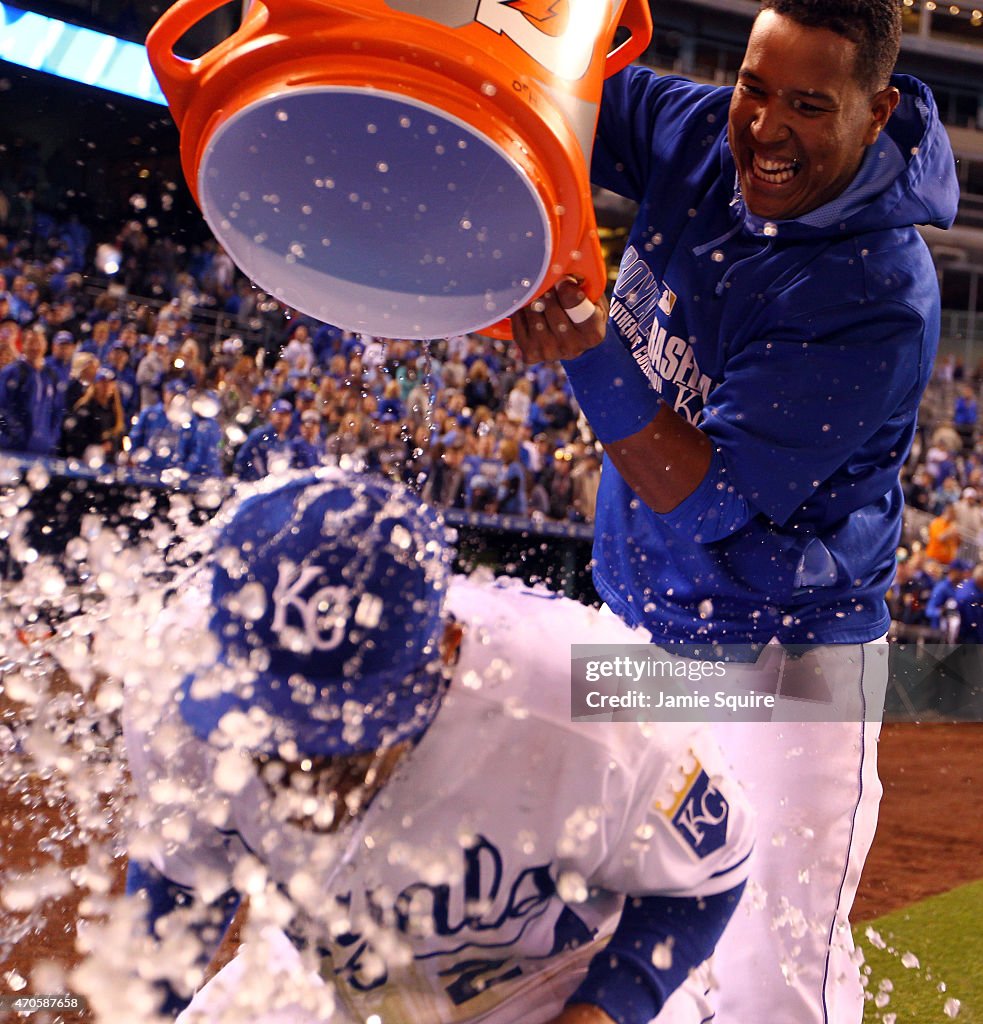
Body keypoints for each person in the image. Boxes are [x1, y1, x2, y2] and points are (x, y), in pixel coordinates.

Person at [510, 2, 958, 1022]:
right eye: (754, 88)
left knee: (771, 981)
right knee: (602, 949)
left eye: (807, 104)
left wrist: (583, 343)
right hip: (638, 631)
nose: (762, 127)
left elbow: (700, 490)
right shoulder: (698, 129)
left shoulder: (874, 290)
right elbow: (554, 91)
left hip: (785, 665)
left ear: (874, 109)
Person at [123, 470, 754, 1024]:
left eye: (341, 741)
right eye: (269, 730)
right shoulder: (182, 683)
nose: (300, 770)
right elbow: (178, 890)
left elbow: (710, 876)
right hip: (338, 976)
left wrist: (604, 1010)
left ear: (446, 651)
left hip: (556, 977)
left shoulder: (593, 689)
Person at [0, 322, 62, 455]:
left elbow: (57, 411)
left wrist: (51, 439)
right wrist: (14, 434)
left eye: (39, 342)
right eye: (31, 342)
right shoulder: (11, 372)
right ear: (23, 345)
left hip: (43, 447)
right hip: (13, 447)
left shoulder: (51, 375)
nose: (35, 347)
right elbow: (2, 406)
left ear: (46, 345)